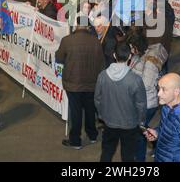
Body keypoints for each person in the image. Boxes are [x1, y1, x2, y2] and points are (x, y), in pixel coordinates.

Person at [56, 16, 105, 149]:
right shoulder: (96, 41)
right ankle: (92, 135)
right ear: (88, 27)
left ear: (76, 25)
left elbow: (58, 58)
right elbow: (102, 63)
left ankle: (75, 140)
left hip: (73, 83)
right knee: (90, 110)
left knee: (76, 112)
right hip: (91, 83)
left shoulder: (67, 40)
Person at [94, 41, 146, 162]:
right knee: (128, 156)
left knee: (107, 152)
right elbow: (141, 105)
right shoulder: (135, 80)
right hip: (130, 125)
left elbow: (97, 99)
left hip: (109, 122)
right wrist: (141, 121)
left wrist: (102, 116)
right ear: (129, 56)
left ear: (114, 55)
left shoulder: (102, 76)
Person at [127, 28, 168, 162]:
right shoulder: (144, 53)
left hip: (146, 102)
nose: (131, 50)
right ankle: (158, 143)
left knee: (140, 134)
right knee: (142, 129)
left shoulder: (150, 62)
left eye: (132, 47)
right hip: (142, 100)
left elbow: (146, 85)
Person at [144, 73, 180, 162]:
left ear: (176, 92)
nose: (158, 94)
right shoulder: (167, 105)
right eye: (158, 88)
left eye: (163, 90)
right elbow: (168, 128)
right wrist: (157, 132)